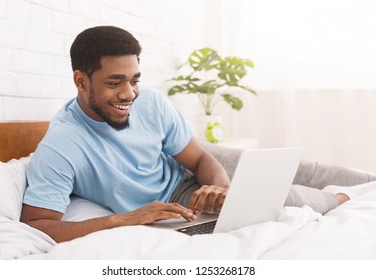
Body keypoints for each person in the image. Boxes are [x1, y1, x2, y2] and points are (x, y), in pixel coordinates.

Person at [21, 26, 376, 243]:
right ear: (81, 81)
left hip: (189, 172)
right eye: (115, 83)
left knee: (298, 169)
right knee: (285, 197)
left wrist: (220, 188)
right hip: (176, 199)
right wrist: (121, 219)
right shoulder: (61, 144)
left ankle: (363, 185)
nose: (129, 94)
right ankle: (347, 198)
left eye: (134, 80)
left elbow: (201, 158)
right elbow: (38, 223)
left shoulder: (152, 104)